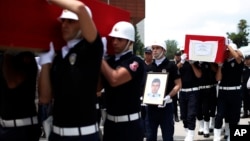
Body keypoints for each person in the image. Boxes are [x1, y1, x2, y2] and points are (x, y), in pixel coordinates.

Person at [38, 0, 103, 141]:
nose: (64, 25)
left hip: (83, 135)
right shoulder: (60, 56)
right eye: (63, 21)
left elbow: (80, 8)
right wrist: (45, 62)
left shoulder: (92, 49)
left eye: (71, 21)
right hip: (56, 134)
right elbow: (44, 98)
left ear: (83, 24)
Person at [100, 21, 145, 141]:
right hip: (110, 124)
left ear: (130, 42)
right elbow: (97, 88)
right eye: (113, 38)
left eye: (119, 39)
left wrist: (98, 57)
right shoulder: (108, 61)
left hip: (130, 125)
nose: (114, 42)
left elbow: (115, 79)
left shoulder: (135, 61)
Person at [0, 51, 41, 141]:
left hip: (23, 128)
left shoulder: (25, 54)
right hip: (5, 127)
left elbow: (12, 82)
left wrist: (7, 51)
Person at [145, 40, 181, 141]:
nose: (154, 50)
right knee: (150, 137)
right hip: (151, 108)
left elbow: (178, 85)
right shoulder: (149, 67)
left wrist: (168, 96)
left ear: (164, 50)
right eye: (153, 48)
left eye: (157, 48)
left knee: (168, 136)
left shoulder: (171, 66)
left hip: (166, 107)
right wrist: (143, 96)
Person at [213, 43, 244, 141]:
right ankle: (216, 136)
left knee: (234, 116)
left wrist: (228, 45)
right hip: (223, 92)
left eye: (228, 51)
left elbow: (238, 56)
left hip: (235, 92)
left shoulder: (239, 61)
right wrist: (219, 67)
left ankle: (231, 134)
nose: (227, 53)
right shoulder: (223, 63)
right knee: (220, 115)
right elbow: (218, 78)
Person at [177, 53, 202, 141]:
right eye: (182, 51)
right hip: (182, 91)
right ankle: (188, 133)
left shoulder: (195, 62)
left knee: (191, 114)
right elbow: (174, 70)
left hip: (193, 91)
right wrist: (182, 62)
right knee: (183, 116)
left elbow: (199, 75)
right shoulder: (180, 62)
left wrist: (191, 63)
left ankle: (191, 135)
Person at [196, 61, 218, 138]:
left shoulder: (210, 62)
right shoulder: (195, 63)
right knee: (198, 110)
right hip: (198, 89)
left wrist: (210, 61)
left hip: (210, 88)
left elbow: (215, 71)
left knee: (209, 109)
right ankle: (201, 126)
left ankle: (208, 127)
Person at [171, 50, 182, 122]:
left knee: (179, 102)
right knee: (174, 102)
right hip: (174, 84)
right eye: (176, 55)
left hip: (181, 84)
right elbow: (175, 68)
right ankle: (174, 116)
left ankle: (177, 115)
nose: (177, 57)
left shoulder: (183, 62)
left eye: (179, 55)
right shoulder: (172, 63)